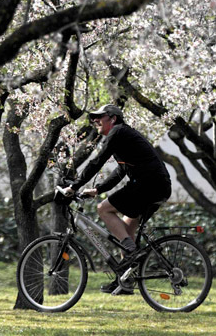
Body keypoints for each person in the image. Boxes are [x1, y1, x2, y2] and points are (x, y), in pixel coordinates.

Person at [60, 104, 172, 294]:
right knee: (126, 232)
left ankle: (132, 253)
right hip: (157, 186)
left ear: (112, 118)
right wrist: (98, 189)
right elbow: (121, 171)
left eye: (100, 117)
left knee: (104, 209)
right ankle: (125, 282)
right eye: (94, 118)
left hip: (147, 185)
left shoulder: (118, 132)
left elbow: (97, 161)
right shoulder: (123, 137)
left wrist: (75, 186)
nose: (95, 121)